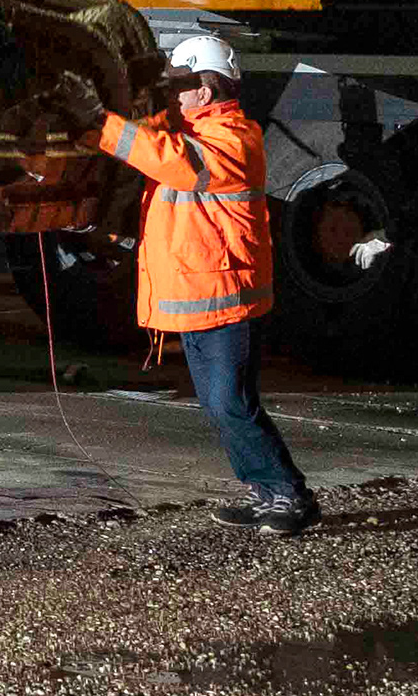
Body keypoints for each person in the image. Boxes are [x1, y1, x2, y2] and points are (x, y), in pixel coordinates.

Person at [52, 35, 318, 536]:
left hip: (224, 303)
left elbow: (172, 160)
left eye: (180, 85)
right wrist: (90, 125)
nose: (173, 95)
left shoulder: (233, 141)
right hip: (201, 300)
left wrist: (101, 123)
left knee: (231, 404)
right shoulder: (193, 132)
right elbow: (153, 143)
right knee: (223, 406)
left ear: (208, 89)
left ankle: (288, 495)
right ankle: (267, 493)